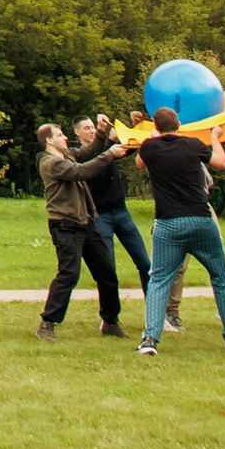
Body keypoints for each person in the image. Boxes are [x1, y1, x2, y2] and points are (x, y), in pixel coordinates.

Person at [134, 108, 225, 356]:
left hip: (168, 223)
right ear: (179, 124)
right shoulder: (193, 145)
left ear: (158, 127)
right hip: (201, 219)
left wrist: (151, 138)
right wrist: (215, 136)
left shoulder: (150, 148)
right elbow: (220, 163)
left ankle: (150, 339)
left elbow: (139, 163)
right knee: (220, 277)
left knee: (159, 279)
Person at [77, 114, 181, 334]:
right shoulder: (79, 155)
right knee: (108, 269)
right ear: (77, 133)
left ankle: (157, 317)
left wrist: (134, 126)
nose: (91, 131)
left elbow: (130, 146)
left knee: (146, 265)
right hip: (100, 216)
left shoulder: (106, 146)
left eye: (92, 127)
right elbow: (97, 158)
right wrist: (109, 142)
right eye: (86, 128)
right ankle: (109, 319)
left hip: (121, 212)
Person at [36, 121, 127, 340]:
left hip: (85, 223)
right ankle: (47, 324)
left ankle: (110, 322)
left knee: (106, 272)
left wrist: (102, 132)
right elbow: (82, 171)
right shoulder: (50, 163)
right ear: (49, 140)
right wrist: (109, 155)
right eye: (60, 135)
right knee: (69, 274)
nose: (65, 138)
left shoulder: (67, 155)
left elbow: (89, 152)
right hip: (65, 225)